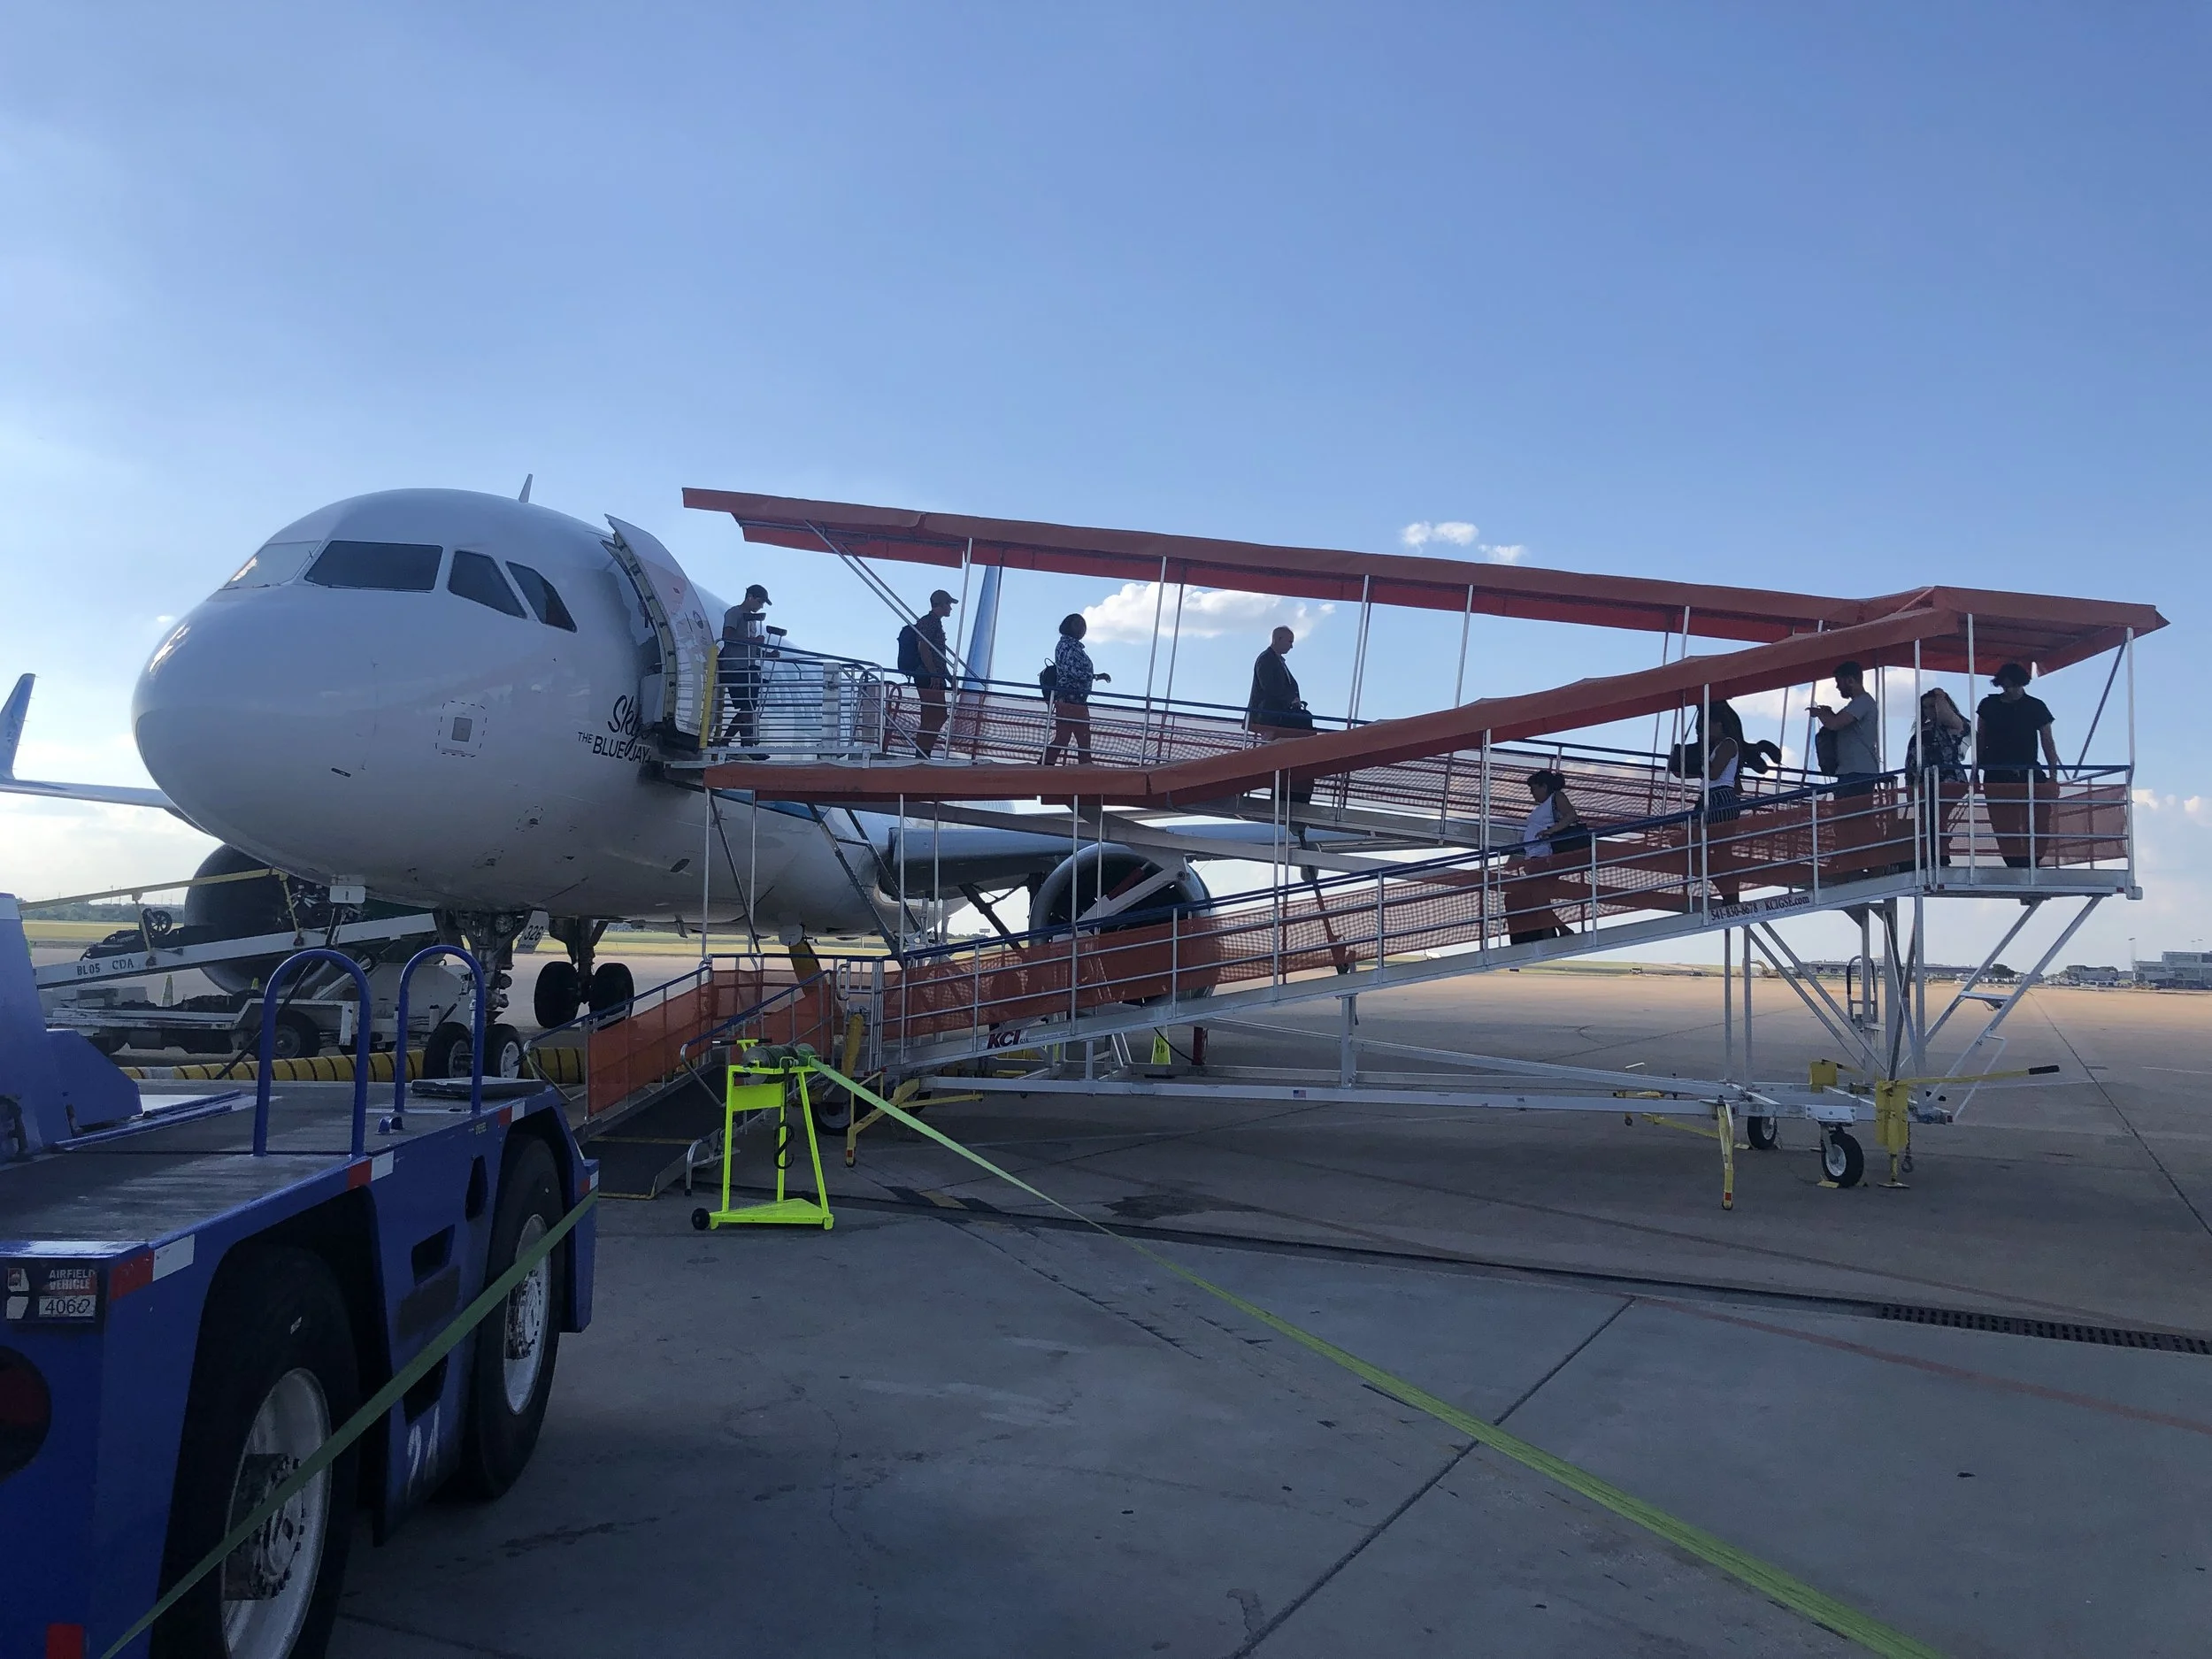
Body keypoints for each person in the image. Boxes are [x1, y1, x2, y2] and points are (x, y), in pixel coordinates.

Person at [1977, 663, 2060, 868]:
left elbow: (2048, 741)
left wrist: (2053, 776)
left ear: (2022, 684)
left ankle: (2035, 859)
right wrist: (1975, 771)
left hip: (2029, 770)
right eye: (2006, 687)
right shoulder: (1989, 706)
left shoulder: (2036, 706)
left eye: (2014, 686)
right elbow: (1981, 737)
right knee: (2003, 820)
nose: (2010, 691)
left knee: (2040, 815)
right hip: (1997, 772)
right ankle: (2014, 862)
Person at [1809, 660, 1884, 871]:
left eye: (1839, 681)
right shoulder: (1857, 704)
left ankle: (1855, 861)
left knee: (1853, 820)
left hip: (1858, 773)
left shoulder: (1863, 702)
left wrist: (1822, 715)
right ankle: (1849, 859)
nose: (1837, 686)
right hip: (1851, 771)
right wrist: (1828, 714)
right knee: (1846, 820)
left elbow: (1836, 723)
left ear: (1850, 680)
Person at [1505, 769, 1589, 944]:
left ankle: (1562, 930)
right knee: (1538, 900)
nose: (1532, 794)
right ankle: (1555, 932)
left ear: (1544, 786)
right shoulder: (1545, 805)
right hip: (1535, 858)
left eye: (1534, 789)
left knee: (1539, 901)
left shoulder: (1556, 797)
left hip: (1543, 858)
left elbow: (1572, 815)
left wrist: (1550, 831)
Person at [1903, 687, 1970, 867]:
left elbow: (1949, 719)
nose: (1930, 711)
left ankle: (1939, 855)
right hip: (1924, 783)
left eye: (1933, 706)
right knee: (1929, 818)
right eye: (1926, 707)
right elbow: (1911, 761)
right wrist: (1910, 786)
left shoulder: (1956, 726)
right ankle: (1932, 855)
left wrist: (1940, 697)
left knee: (1936, 815)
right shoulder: (1921, 732)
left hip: (1949, 780)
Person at [1041, 613, 1109, 765]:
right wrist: (1091, 676)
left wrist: (1095, 676)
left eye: (1083, 625)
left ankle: (1047, 767)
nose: (1082, 628)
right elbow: (1071, 670)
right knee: (1069, 738)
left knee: (1079, 739)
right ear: (1068, 626)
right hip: (1069, 700)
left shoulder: (1071, 646)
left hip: (1076, 700)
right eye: (1078, 624)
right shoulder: (1066, 646)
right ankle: (1044, 768)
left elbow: (1075, 670)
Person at [897, 588, 957, 757]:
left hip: (932, 676)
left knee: (934, 715)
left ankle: (924, 752)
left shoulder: (933, 622)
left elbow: (937, 653)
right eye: (949, 604)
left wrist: (946, 676)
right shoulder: (929, 622)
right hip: (928, 677)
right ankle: (923, 753)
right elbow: (923, 647)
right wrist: (934, 674)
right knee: (935, 715)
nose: (951, 608)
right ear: (941, 604)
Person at [718, 582, 770, 746]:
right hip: (735, 666)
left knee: (749, 709)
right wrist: (752, 641)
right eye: (760, 602)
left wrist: (768, 654)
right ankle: (728, 742)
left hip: (747, 667)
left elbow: (751, 648)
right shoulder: (735, 613)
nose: (761, 606)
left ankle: (744, 744)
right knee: (748, 708)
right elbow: (727, 636)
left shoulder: (752, 621)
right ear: (750, 597)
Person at [1247, 627, 1311, 733]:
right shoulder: (1266, 659)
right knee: (1303, 722)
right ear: (1278, 639)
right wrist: (1291, 699)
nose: (1291, 646)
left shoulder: (1276, 660)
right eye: (1289, 642)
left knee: (1303, 721)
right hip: (1269, 714)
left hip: (1276, 713)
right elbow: (1269, 686)